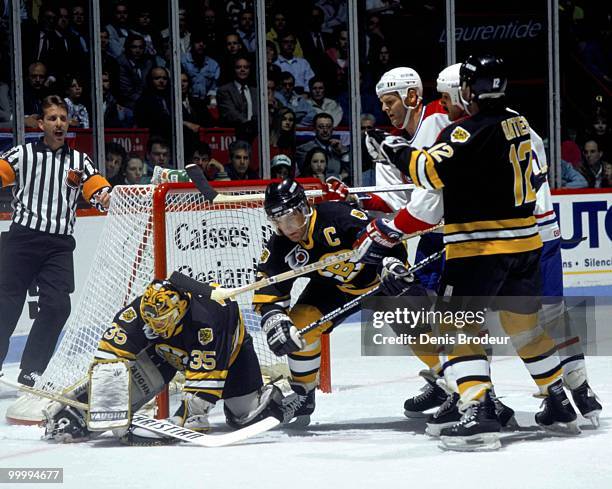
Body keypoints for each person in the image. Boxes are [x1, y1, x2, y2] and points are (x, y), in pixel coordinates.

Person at [359, 55, 579, 449]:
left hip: (481, 247)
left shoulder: (467, 132)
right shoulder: (520, 123)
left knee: (454, 327)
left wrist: (392, 149)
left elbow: (429, 173)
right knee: (524, 328)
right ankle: (559, 402)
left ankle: (478, 412)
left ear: (468, 91)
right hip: (526, 244)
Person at [44, 273, 298, 444]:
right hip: (169, 357)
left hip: (230, 360)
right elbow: (109, 360)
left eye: (161, 321)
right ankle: (76, 413)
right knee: (119, 381)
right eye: (149, 320)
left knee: (245, 417)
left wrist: (183, 418)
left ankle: (271, 396)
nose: (153, 326)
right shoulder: (141, 311)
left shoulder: (208, 320)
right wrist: (91, 404)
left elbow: (205, 381)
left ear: (179, 311)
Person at [252, 179, 410, 425]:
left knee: (423, 329)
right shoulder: (282, 244)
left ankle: (451, 387)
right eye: (279, 222)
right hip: (335, 289)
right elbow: (269, 289)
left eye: (291, 218)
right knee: (298, 325)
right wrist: (274, 319)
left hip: (381, 281)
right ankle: (303, 396)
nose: (287, 228)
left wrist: (394, 266)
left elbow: (386, 238)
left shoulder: (337, 215)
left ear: (303, 208)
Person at [0, 95, 111, 386]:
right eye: (52, 118)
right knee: (6, 306)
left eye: (63, 118)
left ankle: (31, 370)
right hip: (22, 241)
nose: (59, 123)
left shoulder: (80, 161)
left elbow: (97, 189)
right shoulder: (22, 154)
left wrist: (106, 198)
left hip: (58, 245)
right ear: (41, 124)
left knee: (58, 306)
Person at [295, 112, 349, 180]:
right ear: (314, 129)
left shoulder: (339, 147)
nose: (325, 130)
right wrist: (340, 176)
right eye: (321, 127)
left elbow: (350, 173)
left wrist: (343, 152)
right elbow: (309, 175)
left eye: (328, 127)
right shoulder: (303, 149)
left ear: (333, 129)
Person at [217, 55, 257, 142]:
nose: (242, 70)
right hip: (235, 134)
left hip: (256, 134)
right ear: (233, 70)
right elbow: (230, 112)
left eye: (246, 67)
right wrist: (248, 124)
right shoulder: (224, 90)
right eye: (238, 67)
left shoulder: (255, 91)